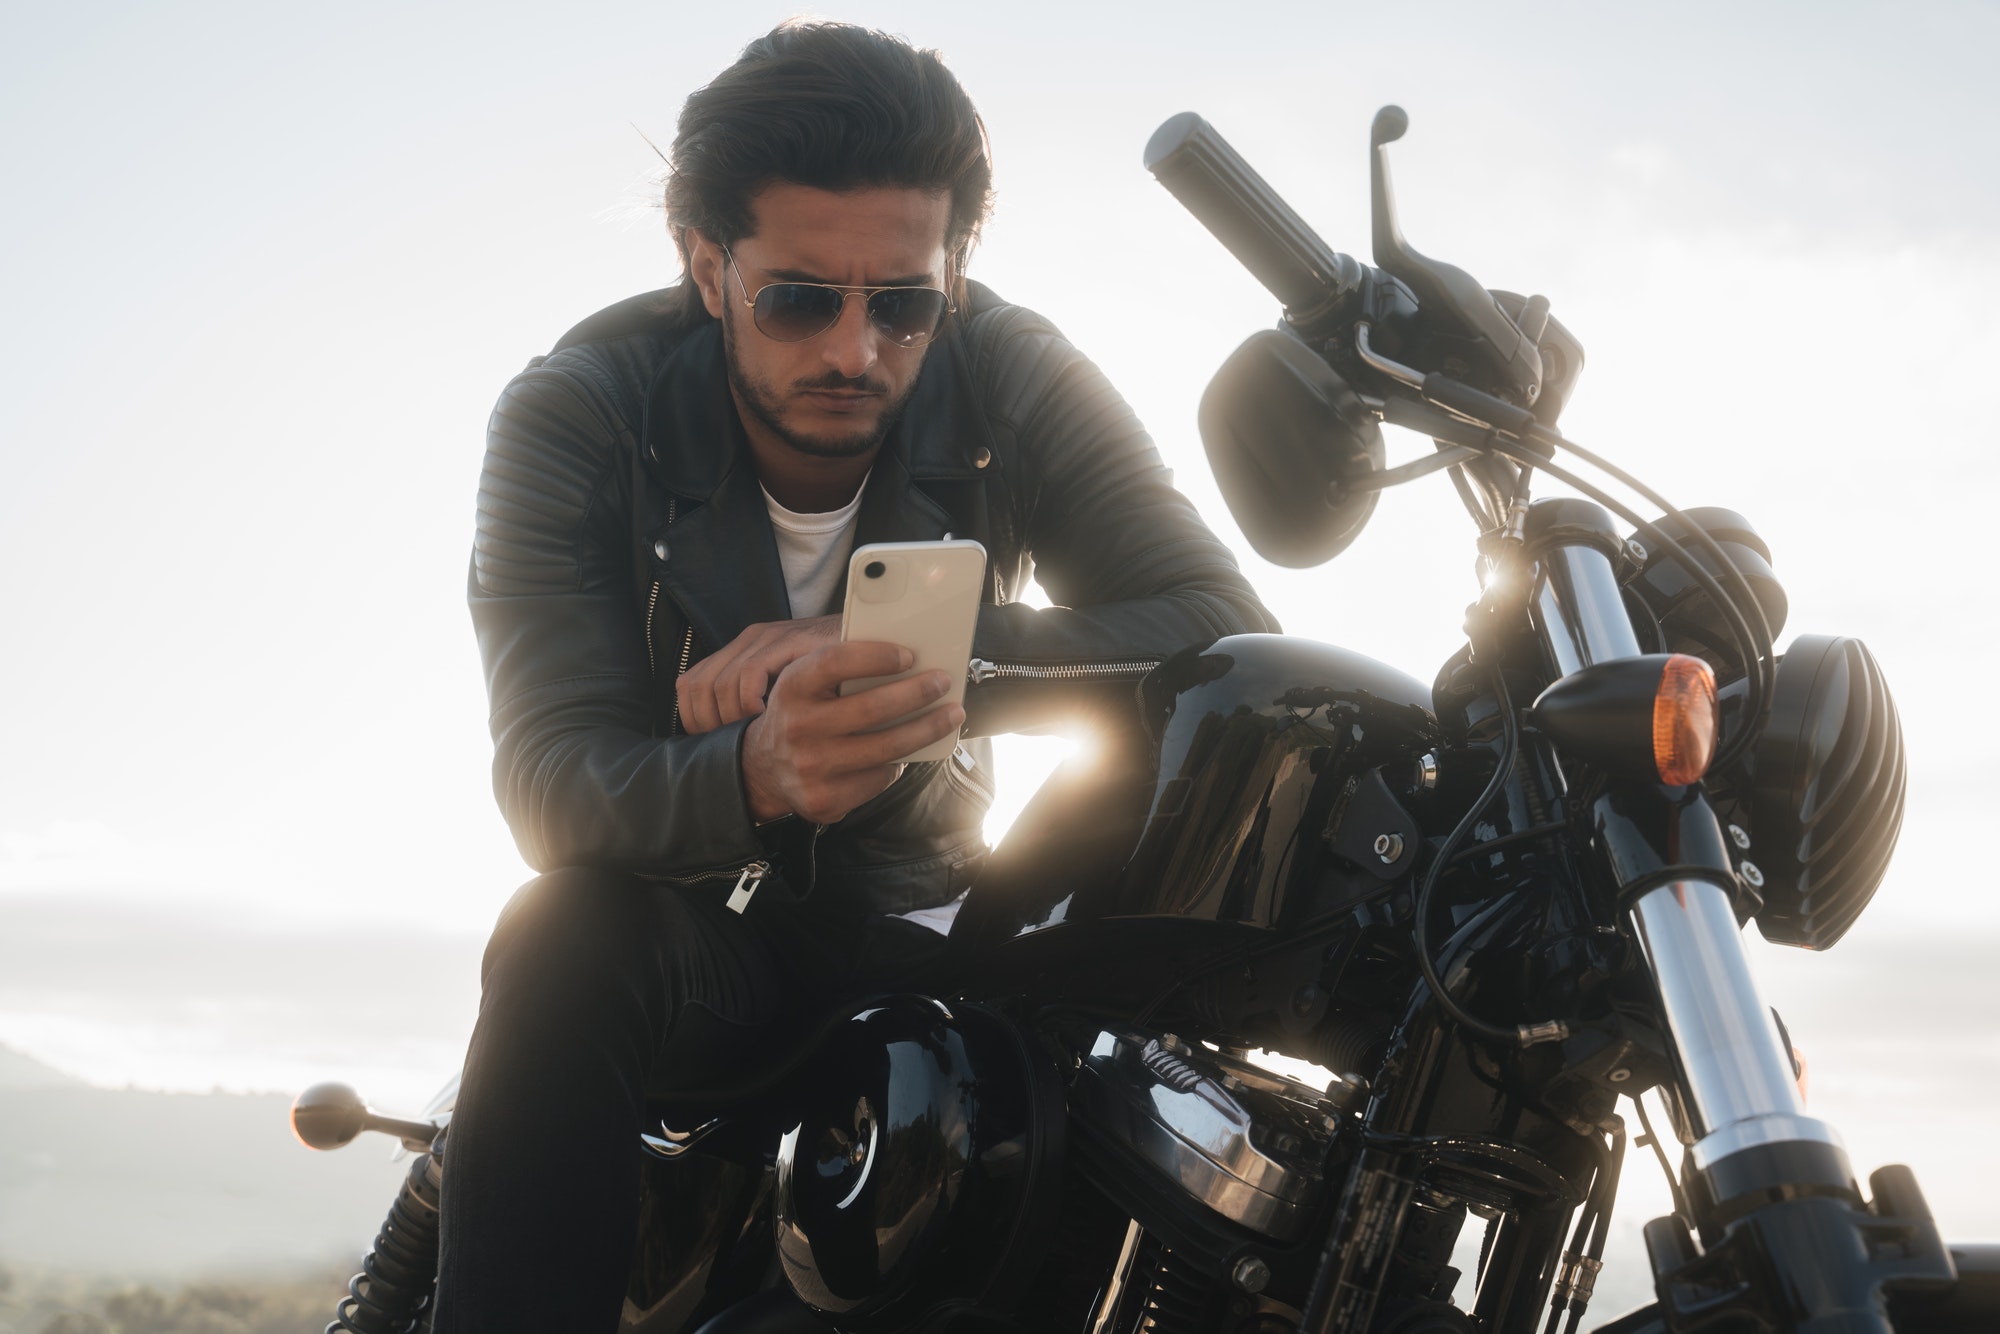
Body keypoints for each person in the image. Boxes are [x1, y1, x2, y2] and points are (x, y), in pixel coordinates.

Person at [437, 20, 1277, 1332]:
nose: (855, 349)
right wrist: (752, 771)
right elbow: (552, 778)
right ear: (706, 265)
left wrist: (940, 653)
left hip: (941, 930)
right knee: (559, 935)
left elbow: (1226, 627)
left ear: (953, 270)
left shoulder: (1009, 369)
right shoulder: (577, 413)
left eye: (904, 303)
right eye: (798, 299)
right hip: (702, 941)